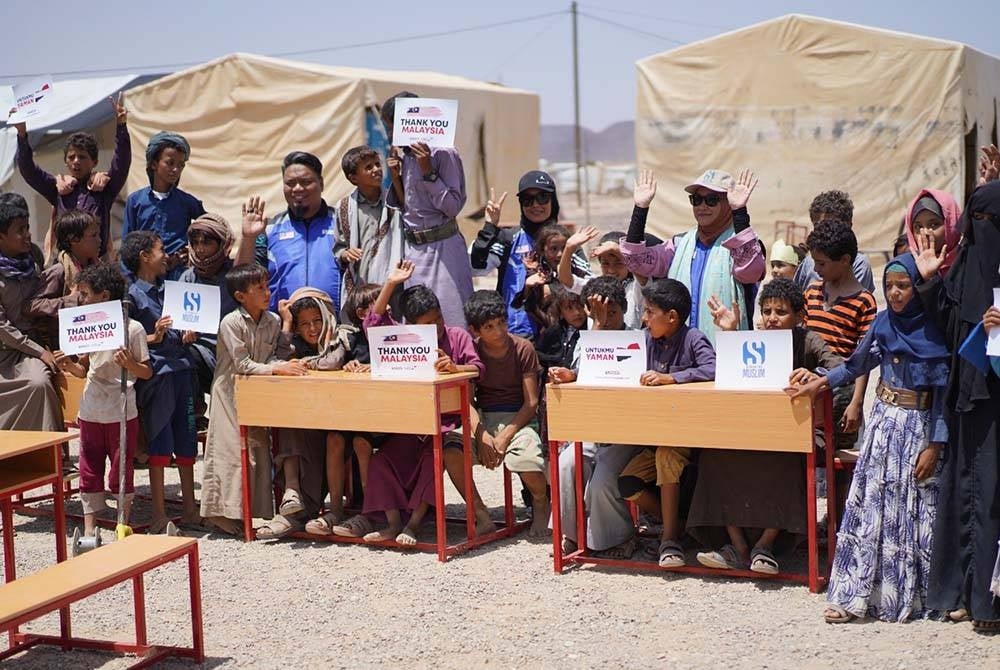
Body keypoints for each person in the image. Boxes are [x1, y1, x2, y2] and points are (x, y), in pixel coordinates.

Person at [788, 254, 949, 623]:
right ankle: (854, 595)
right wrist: (819, 383)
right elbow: (855, 365)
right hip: (883, 428)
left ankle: (906, 599)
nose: (895, 293)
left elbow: (942, 399)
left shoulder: (933, 333)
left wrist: (935, 446)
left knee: (913, 513)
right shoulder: (882, 325)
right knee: (871, 510)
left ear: (916, 288)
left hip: (917, 430)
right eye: (890, 286)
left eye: (903, 285)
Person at [692, 278, 841, 574]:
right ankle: (737, 546)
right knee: (714, 454)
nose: (772, 319)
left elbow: (839, 368)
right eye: (767, 311)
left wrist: (816, 376)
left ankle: (767, 544)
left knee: (785, 455)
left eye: (781, 312)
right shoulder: (755, 340)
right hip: (757, 429)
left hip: (805, 431)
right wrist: (732, 333)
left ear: (799, 316)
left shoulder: (809, 339)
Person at [334, 261, 488, 542]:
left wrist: (455, 367)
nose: (436, 325)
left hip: (446, 424)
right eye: (427, 324)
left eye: (438, 318)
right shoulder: (404, 338)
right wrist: (391, 284)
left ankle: (413, 526)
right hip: (411, 425)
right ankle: (392, 523)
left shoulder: (457, 336)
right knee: (381, 461)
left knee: (434, 459)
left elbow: (477, 368)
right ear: (412, 325)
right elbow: (373, 324)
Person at [915, 180, 1000, 632]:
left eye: (991, 222)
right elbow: (949, 326)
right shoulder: (967, 264)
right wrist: (931, 281)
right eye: (977, 221)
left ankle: (991, 600)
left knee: (991, 499)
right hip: (969, 400)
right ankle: (965, 593)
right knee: (966, 492)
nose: (981, 230)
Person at [612, 279, 716, 568]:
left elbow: (714, 368)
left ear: (672, 317)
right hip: (653, 433)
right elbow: (618, 366)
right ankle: (681, 525)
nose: (644, 319)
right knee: (627, 481)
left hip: (687, 435)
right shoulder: (645, 341)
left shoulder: (693, 338)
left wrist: (673, 378)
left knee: (667, 454)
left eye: (649, 312)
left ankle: (669, 540)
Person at [199, 264, 307, 536]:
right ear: (240, 296)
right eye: (258, 288)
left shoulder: (271, 320)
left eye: (266, 286)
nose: (266, 292)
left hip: (257, 394)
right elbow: (242, 363)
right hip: (228, 393)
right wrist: (277, 368)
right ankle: (218, 515)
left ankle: (249, 513)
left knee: (257, 453)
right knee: (227, 453)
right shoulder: (231, 322)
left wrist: (286, 357)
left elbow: (274, 355)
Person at [52, 263, 152, 539]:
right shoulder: (89, 328)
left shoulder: (133, 329)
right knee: (89, 467)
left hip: (121, 411)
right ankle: (89, 528)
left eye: (84, 293)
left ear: (104, 295)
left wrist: (129, 363)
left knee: (121, 469)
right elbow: (84, 369)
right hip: (92, 409)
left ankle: (122, 523)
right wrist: (70, 366)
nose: (80, 300)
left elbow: (146, 371)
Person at [547, 276, 641, 556]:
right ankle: (573, 535)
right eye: (598, 312)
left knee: (601, 482)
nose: (606, 318)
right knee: (566, 465)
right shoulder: (585, 340)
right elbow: (586, 374)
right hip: (592, 428)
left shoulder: (635, 340)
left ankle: (620, 537)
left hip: (626, 431)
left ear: (624, 310)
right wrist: (570, 375)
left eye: (611, 312)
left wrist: (598, 328)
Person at [618, 169, 765, 345]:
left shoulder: (743, 246)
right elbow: (636, 261)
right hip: (681, 357)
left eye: (711, 200)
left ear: (728, 203)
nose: (702, 206)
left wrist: (739, 212)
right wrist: (640, 209)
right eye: (696, 200)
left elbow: (750, 272)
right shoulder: (679, 244)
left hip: (726, 353)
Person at [257, 287, 359, 540]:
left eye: (317, 321)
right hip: (313, 418)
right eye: (305, 324)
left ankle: (321, 511)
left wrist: (305, 363)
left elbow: (332, 361)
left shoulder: (343, 334)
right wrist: (287, 323)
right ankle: (292, 494)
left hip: (348, 420)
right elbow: (279, 358)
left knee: (333, 439)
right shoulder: (298, 344)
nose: (312, 329)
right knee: (290, 422)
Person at [121, 230, 199, 531]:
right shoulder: (132, 296)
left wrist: (187, 334)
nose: (166, 255)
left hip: (182, 371)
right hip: (157, 377)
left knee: (187, 440)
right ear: (144, 257)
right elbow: (130, 340)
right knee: (161, 443)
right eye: (161, 249)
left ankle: (190, 509)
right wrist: (155, 335)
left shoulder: (173, 290)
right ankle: (158, 513)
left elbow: (183, 329)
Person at [380, 91, 472, 327]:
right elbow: (408, 208)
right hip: (414, 252)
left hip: (444, 252)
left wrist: (428, 171)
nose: (389, 135)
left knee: (451, 321)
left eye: (391, 127)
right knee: (418, 320)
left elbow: (452, 207)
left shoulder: (443, 153)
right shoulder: (407, 156)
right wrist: (396, 178)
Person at [462, 289, 548, 538]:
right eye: (489, 327)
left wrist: (503, 437)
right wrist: (482, 435)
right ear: (475, 331)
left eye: (502, 323)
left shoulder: (523, 348)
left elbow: (531, 402)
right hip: (483, 418)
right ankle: (479, 513)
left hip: (519, 420)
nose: (499, 331)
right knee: (452, 451)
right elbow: (466, 402)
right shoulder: (472, 352)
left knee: (527, 461)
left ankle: (541, 502)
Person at [472, 171, 590, 338]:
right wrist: (489, 228)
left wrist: (555, 288)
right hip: (515, 335)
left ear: (553, 200)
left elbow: (588, 284)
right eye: (528, 200)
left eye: (542, 197)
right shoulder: (508, 238)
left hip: (558, 338)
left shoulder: (567, 242)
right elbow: (475, 268)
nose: (535, 205)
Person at [12, 95, 130, 258]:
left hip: (97, 265)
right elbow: (29, 171)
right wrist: (22, 134)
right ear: (65, 161)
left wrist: (121, 127)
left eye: (82, 157)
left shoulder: (103, 189)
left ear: (94, 161)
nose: (76, 162)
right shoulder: (59, 189)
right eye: (71, 157)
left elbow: (121, 164)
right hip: (66, 265)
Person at [803, 220, 877, 453]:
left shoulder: (863, 301)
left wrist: (856, 402)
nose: (816, 269)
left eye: (822, 263)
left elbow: (863, 360)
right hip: (808, 390)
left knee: (837, 460)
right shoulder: (812, 292)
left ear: (845, 260)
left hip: (841, 394)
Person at [237, 154, 342, 313]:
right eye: (290, 183)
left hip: (335, 327)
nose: (298, 188)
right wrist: (248, 238)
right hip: (282, 330)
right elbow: (240, 279)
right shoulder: (269, 229)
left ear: (321, 183)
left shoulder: (341, 223)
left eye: (306, 182)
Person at [0, 200, 62, 431]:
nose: (28, 234)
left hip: (32, 346)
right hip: (8, 352)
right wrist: (40, 352)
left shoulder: (32, 260)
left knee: (40, 383)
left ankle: (50, 455)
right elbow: (3, 328)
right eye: (20, 230)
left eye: (27, 227)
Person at [178, 213, 238, 430]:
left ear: (222, 243)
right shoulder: (187, 277)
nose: (200, 248)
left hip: (230, 355)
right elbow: (178, 318)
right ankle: (194, 414)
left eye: (207, 242)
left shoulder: (233, 275)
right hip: (199, 356)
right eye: (195, 242)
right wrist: (184, 330)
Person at [122, 132, 206, 280]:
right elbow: (126, 246)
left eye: (181, 165)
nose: (176, 169)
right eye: (170, 163)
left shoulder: (187, 202)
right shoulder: (135, 201)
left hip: (178, 277)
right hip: (144, 279)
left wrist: (192, 251)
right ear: (154, 163)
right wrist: (129, 281)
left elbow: (210, 228)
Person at [333, 145, 404, 315]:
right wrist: (346, 254)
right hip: (361, 285)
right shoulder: (344, 207)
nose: (376, 170)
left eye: (377, 164)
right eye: (368, 167)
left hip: (391, 285)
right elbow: (338, 248)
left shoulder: (393, 203)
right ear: (353, 178)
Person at [27, 209, 101, 348]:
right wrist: (69, 301)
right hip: (67, 344)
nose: (99, 240)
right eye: (94, 235)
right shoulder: (59, 271)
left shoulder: (99, 268)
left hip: (95, 338)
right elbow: (30, 306)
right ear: (74, 240)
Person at [793, 190, 875, 293]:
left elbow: (849, 304)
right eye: (817, 227)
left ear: (848, 226)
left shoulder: (858, 264)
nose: (822, 232)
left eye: (829, 226)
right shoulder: (809, 263)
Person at [902, 189, 960, 278]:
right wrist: (927, 280)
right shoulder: (905, 270)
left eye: (934, 225)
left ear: (950, 224)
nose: (925, 232)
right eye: (918, 227)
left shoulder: (969, 265)